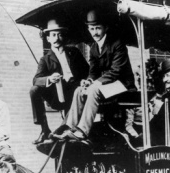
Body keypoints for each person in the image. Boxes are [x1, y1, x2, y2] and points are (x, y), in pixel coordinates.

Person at [54, 8, 135, 142]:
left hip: (123, 84)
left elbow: (116, 71)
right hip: (107, 84)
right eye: (91, 29)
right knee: (80, 90)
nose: (95, 32)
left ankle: (82, 131)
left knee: (94, 90)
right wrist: (89, 80)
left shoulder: (117, 44)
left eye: (98, 28)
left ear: (106, 27)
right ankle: (70, 127)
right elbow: (93, 72)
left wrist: (96, 83)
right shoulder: (93, 48)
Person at [30, 19, 89, 144]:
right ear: (48, 39)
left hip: (75, 90)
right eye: (53, 35)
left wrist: (85, 80)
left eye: (59, 34)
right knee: (34, 90)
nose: (56, 38)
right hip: (57, 95)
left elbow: (87, 70)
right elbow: (36, 80)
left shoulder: (74, 52)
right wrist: (49, 79)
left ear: (64, 37)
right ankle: (44, 129)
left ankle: (66, 131)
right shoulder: (45, 59)